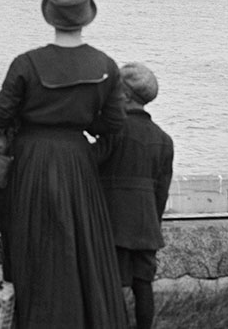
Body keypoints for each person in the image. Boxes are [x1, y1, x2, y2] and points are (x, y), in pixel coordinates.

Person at [0, 0, 130, 328]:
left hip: (30, 161)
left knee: (32, 248)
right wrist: (80, 123)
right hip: (76, 163)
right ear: (86, 15)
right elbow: (113, 124)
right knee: (81, 250)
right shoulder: (105, 66)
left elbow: (0, 115)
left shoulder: (26, 63)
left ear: (49, 14)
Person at [96, 63, 174, 329]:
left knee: (111, 283)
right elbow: (161, 193)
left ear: (125, 96)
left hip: (113, 222)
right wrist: (154, 223)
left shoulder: (114, 130)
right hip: (146, 226)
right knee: (143, 286)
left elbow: (90, 163)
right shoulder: (163, 140)